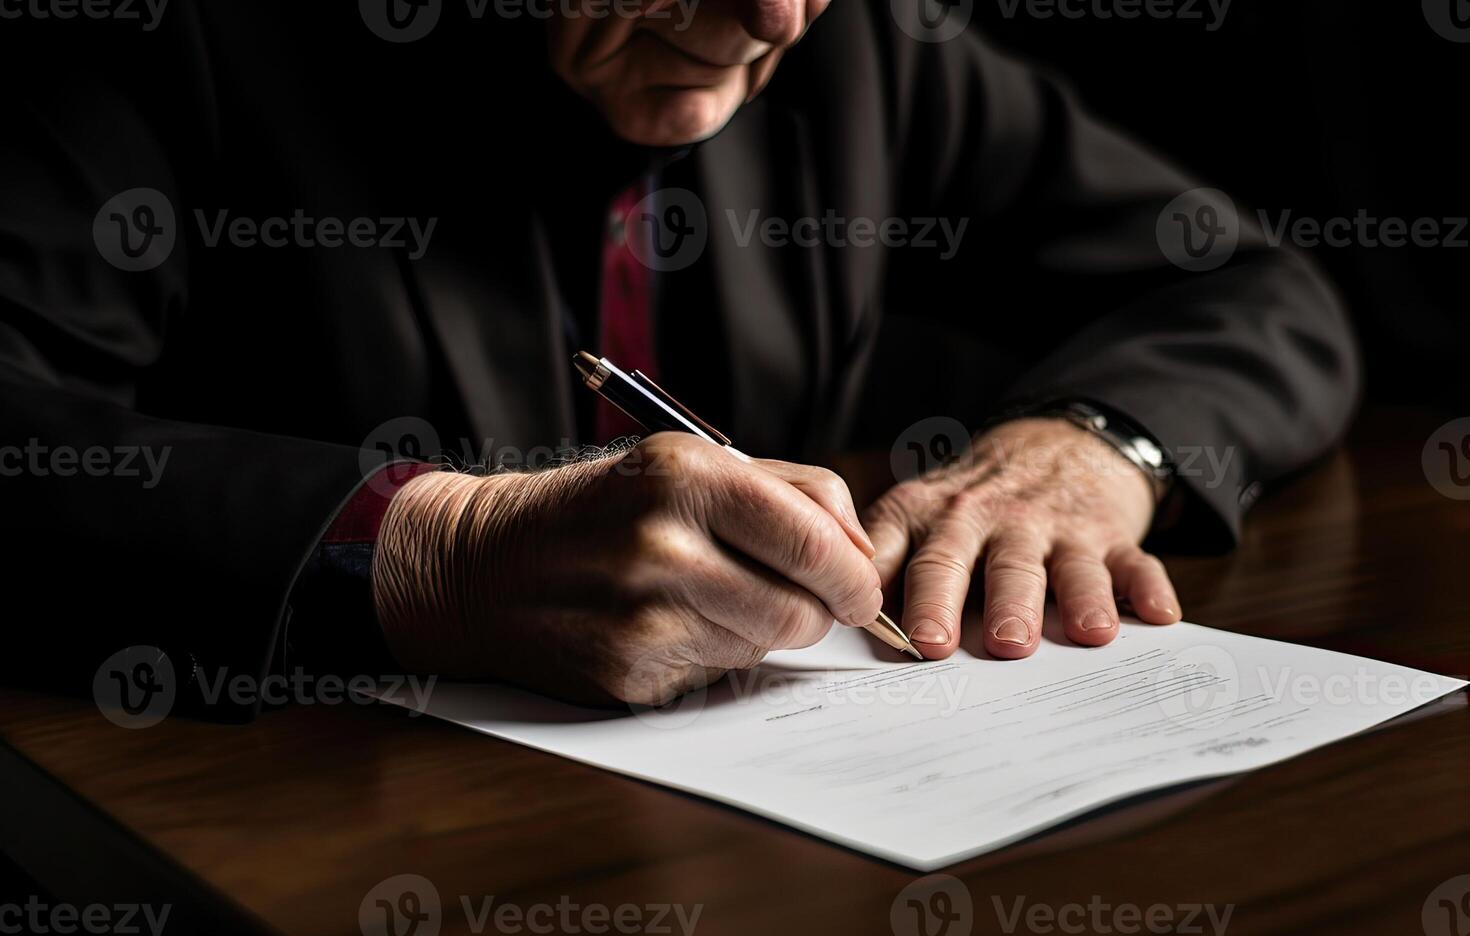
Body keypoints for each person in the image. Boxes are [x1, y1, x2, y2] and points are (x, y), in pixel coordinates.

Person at [0, 1, 1357, 717]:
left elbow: (1249, 282)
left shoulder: (865, 39)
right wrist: (436, 556)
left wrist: (1091, 446)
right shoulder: (179, 38)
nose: (771, 16)